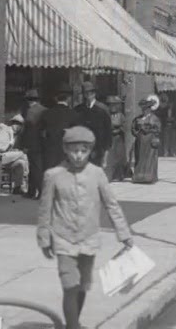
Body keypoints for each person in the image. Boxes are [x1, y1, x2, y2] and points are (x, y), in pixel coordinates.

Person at [37, 126, 133, 329]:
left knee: (82, 286)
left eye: (84, 150)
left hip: (88, 239)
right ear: (65, 149)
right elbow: (45, 209)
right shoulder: (53, 175)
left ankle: (75, 322)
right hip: (63, 239)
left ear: (91, 151)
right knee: (69, 286)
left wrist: (123, 233)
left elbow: (111, 205)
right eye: (74, 150)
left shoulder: (97, 174)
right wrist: (44, 238)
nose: (78, 156)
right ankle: (71, 326)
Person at [0, 116, 29, 194]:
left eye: (19, 125)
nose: (16, 126)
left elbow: (8, 148)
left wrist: (13, 150)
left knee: (21, 163)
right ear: (11, 123)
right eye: (15, 123)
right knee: (23, 154)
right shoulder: (3, 127)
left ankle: (17, 187)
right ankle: (25, 182)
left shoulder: (15, 137)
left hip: (5, 158)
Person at [40, 92, 81, 173]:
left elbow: (41, 134)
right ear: (68, 98)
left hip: (49, 154)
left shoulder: (46, 113)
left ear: (56, 98)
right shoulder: (74, 114)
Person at [74, 81, 112, 168]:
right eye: (86, 93)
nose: (88, 95)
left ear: (94, 93)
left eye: (90, 92)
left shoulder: (102, 109)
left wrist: (105, 156)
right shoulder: (78, 110)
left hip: (98, 150)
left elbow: (108, 134)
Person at [131, 95, 162, 184]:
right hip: (140, 142)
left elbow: (158, 129)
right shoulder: (138, 118)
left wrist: (147, 129)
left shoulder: (154, 118)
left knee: (149, 159)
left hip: (150, 142)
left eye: (146, 109)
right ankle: (139, 177)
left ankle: (149, 177)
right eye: (143, 109)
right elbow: (133, 128)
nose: (144, 110)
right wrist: (137, 133)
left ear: (149, 109)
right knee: (140, 159)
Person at [23, 89, 47, 199]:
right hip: (42, 143)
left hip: (33, 143)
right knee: (38, 167)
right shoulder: (44, 109)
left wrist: (25, 145)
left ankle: (39, 191)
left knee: (34, 168)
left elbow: (28, 129)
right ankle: (31, 191)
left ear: (28, 100)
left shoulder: (31, 111)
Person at [104, 96, 130, 182]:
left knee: (120, 156)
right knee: (111, 157)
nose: (112, 107)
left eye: (114, 105)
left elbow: (125, 127)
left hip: (119, 138)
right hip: (110, 138)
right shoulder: (107, 115)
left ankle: (120, 174)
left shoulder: (121, 116)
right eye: (111, 105)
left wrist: (119, 130)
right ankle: (110, 175)